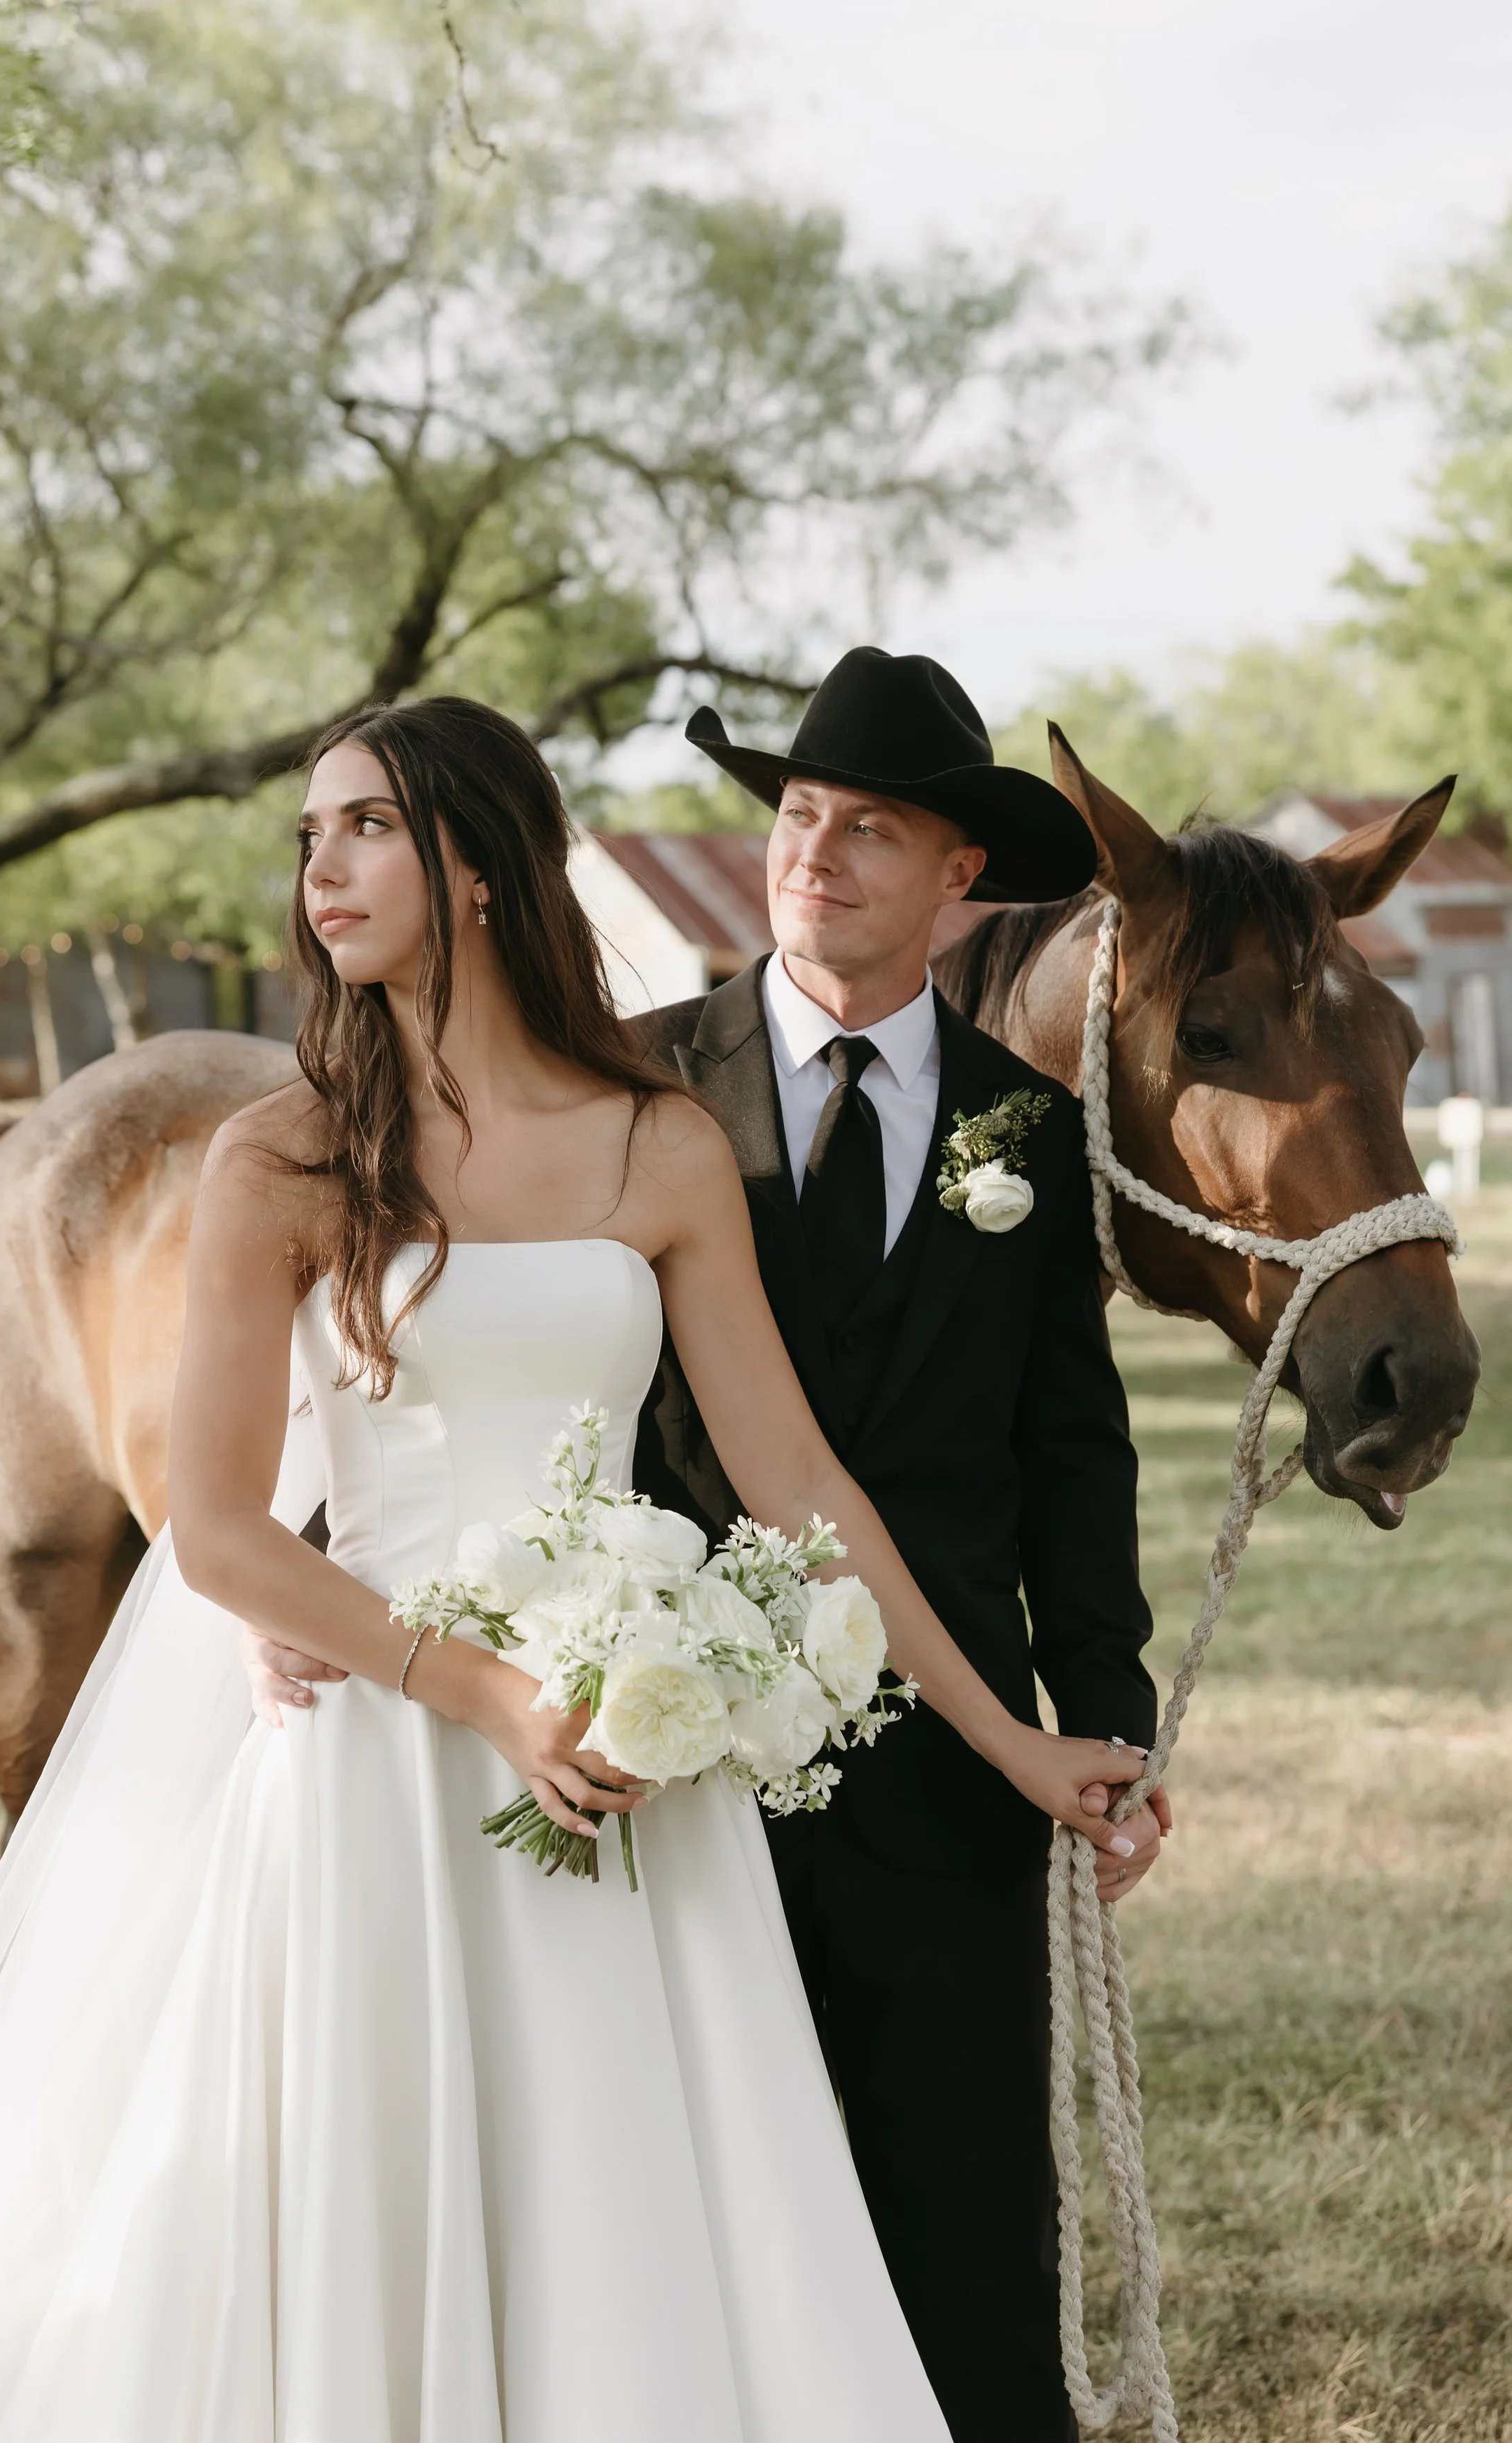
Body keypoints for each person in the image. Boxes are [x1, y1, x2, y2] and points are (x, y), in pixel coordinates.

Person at [0, 694, 1144, 2443]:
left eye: (365, 827)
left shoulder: (656, 1139)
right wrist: (480, 1690)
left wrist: (1013, 1741)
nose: (320, 870)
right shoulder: (279, 1154)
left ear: (477, 866)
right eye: (309, 834)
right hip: (375, 1772)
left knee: (623, 2225)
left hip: (633, 1773)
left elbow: (801, 1488)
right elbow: (219, 1521)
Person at [640, 646, 1168, 2443]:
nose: (815, 851)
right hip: (678, 1753)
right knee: (700, 2215)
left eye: (868, 827)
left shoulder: (1028, 1130)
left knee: (963, 2223)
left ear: (960, 874)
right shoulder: (636, 1084)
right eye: (797, 813)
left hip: (952, 1758)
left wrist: (1106, 1719)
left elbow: (1070, 1458)